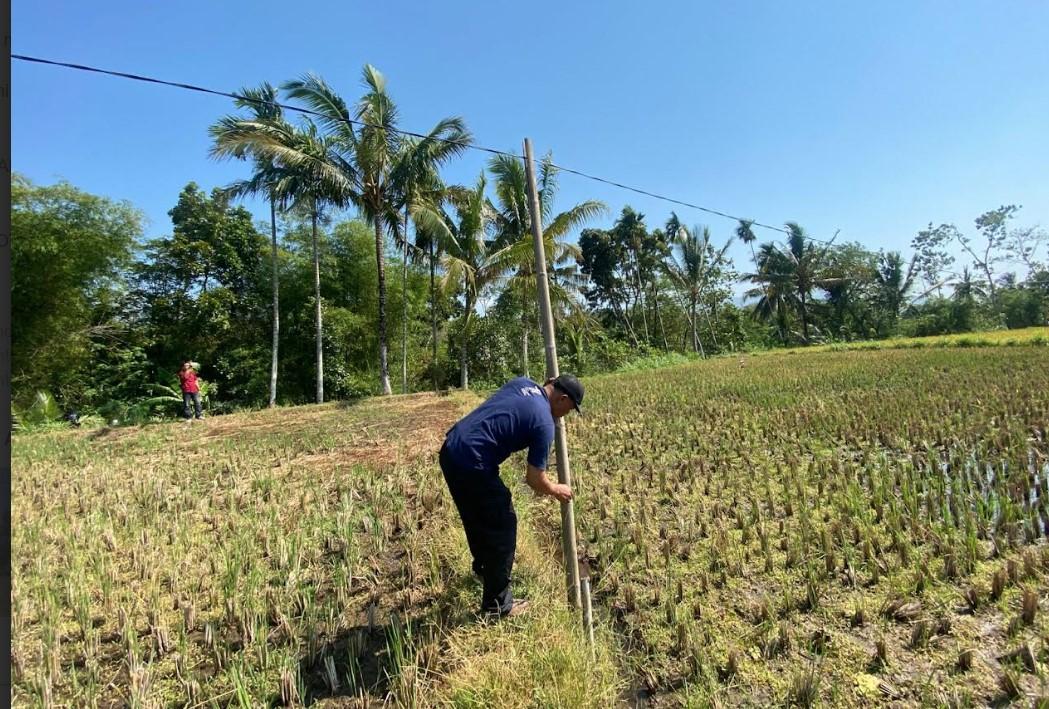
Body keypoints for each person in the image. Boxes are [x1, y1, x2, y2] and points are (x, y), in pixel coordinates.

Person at [439, 373, 584, 618]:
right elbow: (534, 479)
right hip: (473, 462)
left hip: (452, 449)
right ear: (562, 399)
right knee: (503, 526)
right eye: (569, 410)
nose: (564, 416)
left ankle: (485, 570)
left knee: (475, 517)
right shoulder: (544, 424)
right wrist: (555, 489)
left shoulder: (524, 383)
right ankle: (496, 606)